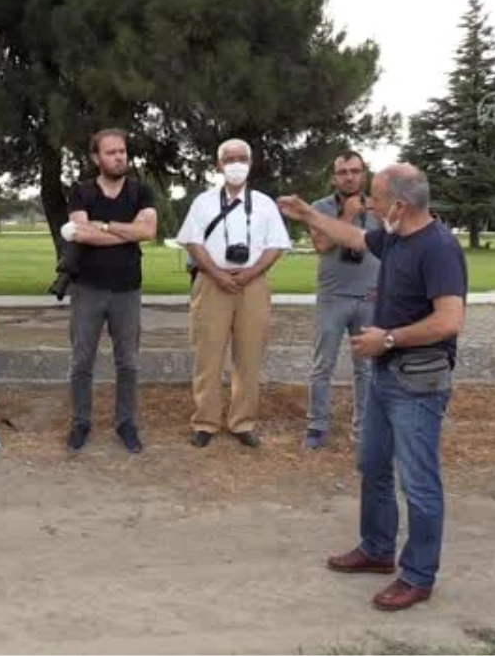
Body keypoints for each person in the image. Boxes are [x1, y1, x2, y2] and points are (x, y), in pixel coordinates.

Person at [277, 164, 467, 612]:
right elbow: (353, 238)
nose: (368, 206)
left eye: (375, 199)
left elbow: (449, 319)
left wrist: (388, 338)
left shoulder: (438, 247)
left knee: (419, 483)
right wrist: (308, 214)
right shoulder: (395, 235)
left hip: (418, 379)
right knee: (373, 464)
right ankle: (378, 549)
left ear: (400, 205)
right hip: (385, 374)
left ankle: (419, 575)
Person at [175, 139, 291, 449]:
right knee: (207, 356)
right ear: (218, 165)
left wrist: (250, 274)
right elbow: (192, 242)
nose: (236, 163)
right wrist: (217, 273)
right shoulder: (203, 202)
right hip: (212, 283)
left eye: (242, 158)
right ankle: (205, 421)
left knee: (249, 357)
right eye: (229, 159)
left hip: (252, 285)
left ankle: (243, 422)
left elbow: (276, 245)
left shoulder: (265, 203)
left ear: (250, 163)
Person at [59, 128, 158, 453]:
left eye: (122, 151)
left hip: (127, 289)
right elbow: (81, 235)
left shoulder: (140, 191)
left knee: (128, 362)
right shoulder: (81, 192)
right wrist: (128, 232)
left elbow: (149, 231)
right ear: (96, 158)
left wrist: (103, 225)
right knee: (82, 361)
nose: (119, 157)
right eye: (111, 152)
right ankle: (81, 423)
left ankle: (126, 423)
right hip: (87, 288)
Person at [305, 151, 381, 449]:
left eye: (355, 171)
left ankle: (363, 429)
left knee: (366, 368)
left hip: (371, 297)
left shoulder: (380, 207)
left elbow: (394, 248)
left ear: (364, 174)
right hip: (333, 297)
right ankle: (316, 425)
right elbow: (322, 244)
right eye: (343, 172)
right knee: (323, 364)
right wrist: (347, 215)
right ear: (334, 177)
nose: (349, 177)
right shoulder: (320, 208)